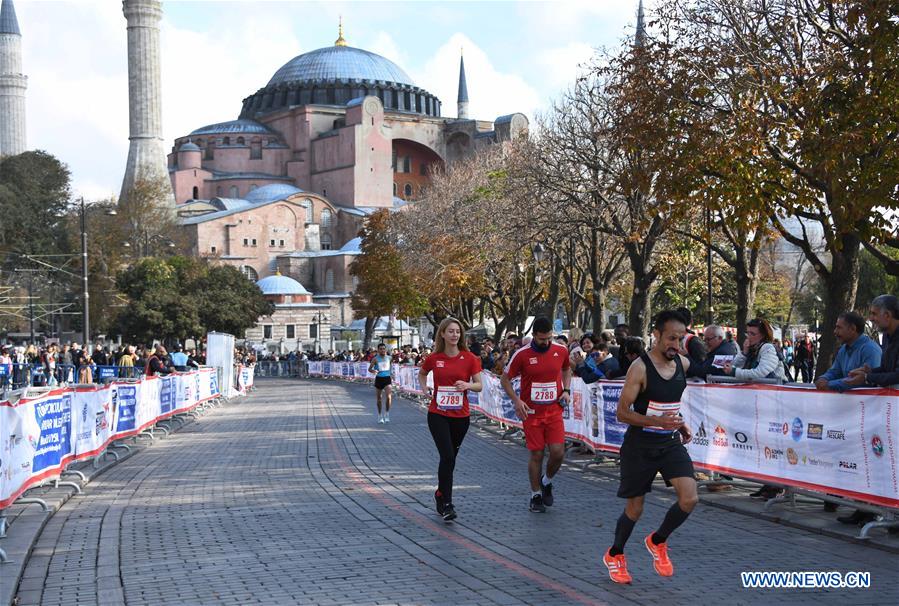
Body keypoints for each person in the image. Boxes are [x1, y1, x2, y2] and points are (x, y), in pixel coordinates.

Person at [602, 310, 698, 585]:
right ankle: (615, 554)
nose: (675, 345)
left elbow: (669, 403)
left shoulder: (683, 364)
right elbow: (622, 413)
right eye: (670, 338)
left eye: (680, 339)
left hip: (669, 443)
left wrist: (678, 425)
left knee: (690, 498)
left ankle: (657, 541)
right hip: (640, 446)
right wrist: (657, 421)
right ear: (656, 335)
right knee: (635, 508)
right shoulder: (640, 368)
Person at [501, 316, 572, 513]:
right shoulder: (522, 354)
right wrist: (517, 401)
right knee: (537, 454)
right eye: (542, 339)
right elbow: (504, 379)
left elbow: (567, 369)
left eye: (549, 338)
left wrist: (566, 390)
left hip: (553, 411)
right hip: (531, 413)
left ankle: (546, 481)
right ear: (533, 336)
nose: (547, 342)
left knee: (558, 453)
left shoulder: (561, 350)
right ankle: (536, 495)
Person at [418, 318, 483, 522]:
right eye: (451, 331)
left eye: (458, 332)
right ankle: (447, 503)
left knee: (450, 458)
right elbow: (422, 373)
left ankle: (440, 493)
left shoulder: (470, 358)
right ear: (443, 335)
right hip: (438, 413)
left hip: (461, 416)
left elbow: (479, 385)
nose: (455, 335)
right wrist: (424, 388)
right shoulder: (434, 357)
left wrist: (466, 385)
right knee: (447, 456)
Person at [814, 312, 881, 392]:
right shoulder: (843, 349)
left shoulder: (870, 350)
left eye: (839, 328)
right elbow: (835, 371)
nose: (835, 332)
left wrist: (829, 385)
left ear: (853, 329)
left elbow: (864, 382)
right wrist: (823, 378)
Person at [368, 343, 393, 424]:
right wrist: (373, 371)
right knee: (379, 399)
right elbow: (369, 369)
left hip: (387, 379)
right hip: (379, 379)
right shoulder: (375, 359)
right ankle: (379, 415)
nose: (382, 350)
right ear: (378, 350)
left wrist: (392, 373)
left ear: (385, 349)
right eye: (381, 349)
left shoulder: (389, 358)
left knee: (389, 397)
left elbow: (391, 367)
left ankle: (387, 413)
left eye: (384, 349)